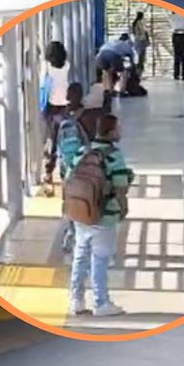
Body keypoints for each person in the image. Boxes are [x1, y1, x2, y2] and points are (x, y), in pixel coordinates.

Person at [67, 113, 132, 317]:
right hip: (104, 214)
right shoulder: (114, 155)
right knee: (100, 259)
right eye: (118, 128)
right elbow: (120, 188)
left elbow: (69, 178)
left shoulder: (82, 151)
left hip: (81, 212)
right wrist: (123, 208)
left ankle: (76, 300)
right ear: (111, 132)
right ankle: (101, 302)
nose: (120, 131)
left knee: (80, 255)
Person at [56, 82, 89, 253]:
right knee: (84, 199)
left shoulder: (61, 117)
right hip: (83, 168)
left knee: (69, 200)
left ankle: (71, 232)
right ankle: (80, 233)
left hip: (66, 169)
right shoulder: (87, 116)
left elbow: (55, 144)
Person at [39, 41, 71, 195]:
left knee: (50, 140)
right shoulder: (67, 66)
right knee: (64, 138)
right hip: (64, 106)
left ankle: (48, 174)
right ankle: (66, 173)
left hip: (50, 108)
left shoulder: (46, 67)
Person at [170, 12, 184, 80]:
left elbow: (171, 25)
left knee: (176, 56)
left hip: (176, 35)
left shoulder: (172, 16)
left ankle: (176, 75)